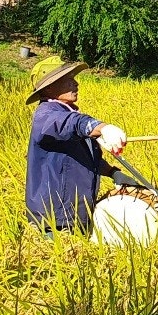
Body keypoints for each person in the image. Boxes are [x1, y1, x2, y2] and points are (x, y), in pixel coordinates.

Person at [25, 56, 128, 235]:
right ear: (49, 88)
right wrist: (102, 128)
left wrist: (113, 173)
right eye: (68, 79)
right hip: (55, 220)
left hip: (74, 215)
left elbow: (82, 159)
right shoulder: (46, 115)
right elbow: (71, 123)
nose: (76, 83)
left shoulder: (66, 114)